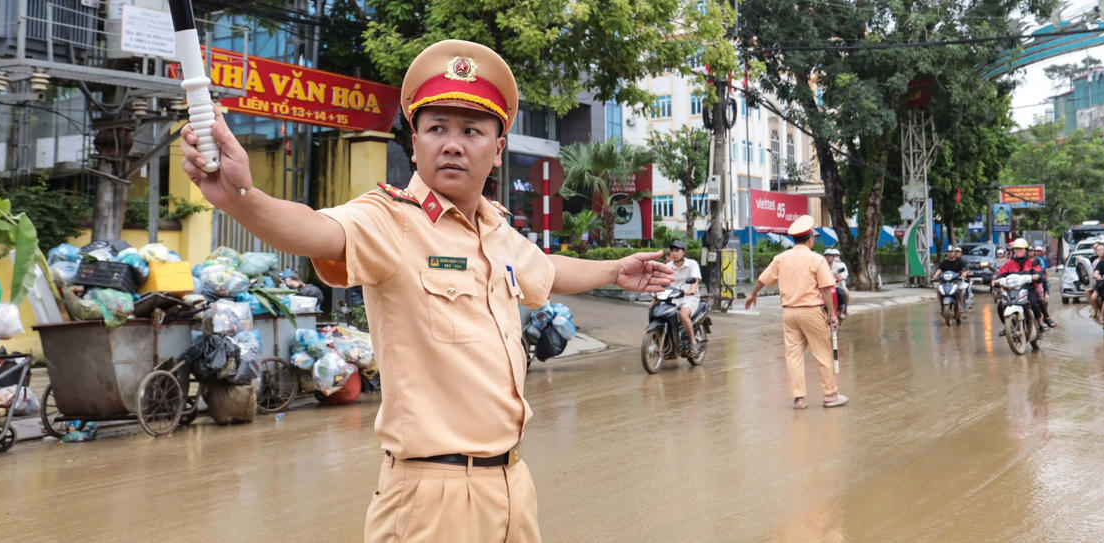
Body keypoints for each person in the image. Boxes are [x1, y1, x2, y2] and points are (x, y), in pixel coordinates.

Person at [180, 39, 673, 542]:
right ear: (414, 143)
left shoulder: (497, 231)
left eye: (471, 131)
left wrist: (615, 270)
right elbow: (314, 230)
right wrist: (243, 199)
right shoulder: (388, 221)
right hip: (429, 497)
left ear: (497, 150)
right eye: (436, 129)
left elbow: (545, 269)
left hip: (512, 484)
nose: (452, 143)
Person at [743, 216, 847, 409]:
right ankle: (830, 395)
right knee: (822, 352)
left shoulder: (781, 258)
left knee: (794, 356)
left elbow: (763, 279)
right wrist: (833, 315)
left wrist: (753, 294)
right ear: (810, 239)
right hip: (811, 311)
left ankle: (799, 399)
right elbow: (826, 289)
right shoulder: (816, 259)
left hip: (789, 313)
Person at [995, 238, 1055, 332]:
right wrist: (995, 281)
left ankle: (1040, 322)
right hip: (1011, 291)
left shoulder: (1033, 262)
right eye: (1016, 249)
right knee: (1000, 306)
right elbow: (1000, 275)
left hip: (1028, 289)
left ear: (1026, 250)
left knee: (1034, 303)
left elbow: (1039, 274)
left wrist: (1036, 276)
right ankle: (1007, 327)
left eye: (1021, 249)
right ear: (1013, 250)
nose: (1018, 251)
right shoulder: (1008, 264)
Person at [665, 240, 702, 354]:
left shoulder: (692, 264)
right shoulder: (667, 266)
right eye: (672, 251)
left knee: (683, 314)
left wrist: (691, 290)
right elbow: (662, 282)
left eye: (677, 250)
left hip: (690, 298)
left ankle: (693, 341)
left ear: (684, 252)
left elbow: (695, 279)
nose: (674, 253)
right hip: (673, 298)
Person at [933, 245, 972, 311]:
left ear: (954, 252)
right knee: (938, 289)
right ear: (947, 253)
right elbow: (940, 269)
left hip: (957, 281)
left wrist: (964, 273)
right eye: (948, 252)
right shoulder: (944, 262)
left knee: (960, 289)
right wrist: (935, 275)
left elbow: (966, 269)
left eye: (951, 251)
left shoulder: (960, 261)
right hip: (946, 282)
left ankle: (961, 305)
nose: (950, 253)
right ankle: (941, 305)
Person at [824, 248, 848, 319]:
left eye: (830, 256)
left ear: (833, 257)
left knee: (842, 294)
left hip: (835, 286)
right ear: (824, 257)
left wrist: (841, 278)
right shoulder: (822, 265)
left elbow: (843, 274)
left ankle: (841, 312)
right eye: (827, 256)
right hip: (824, 286)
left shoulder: (838, 266)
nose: (828, 257)